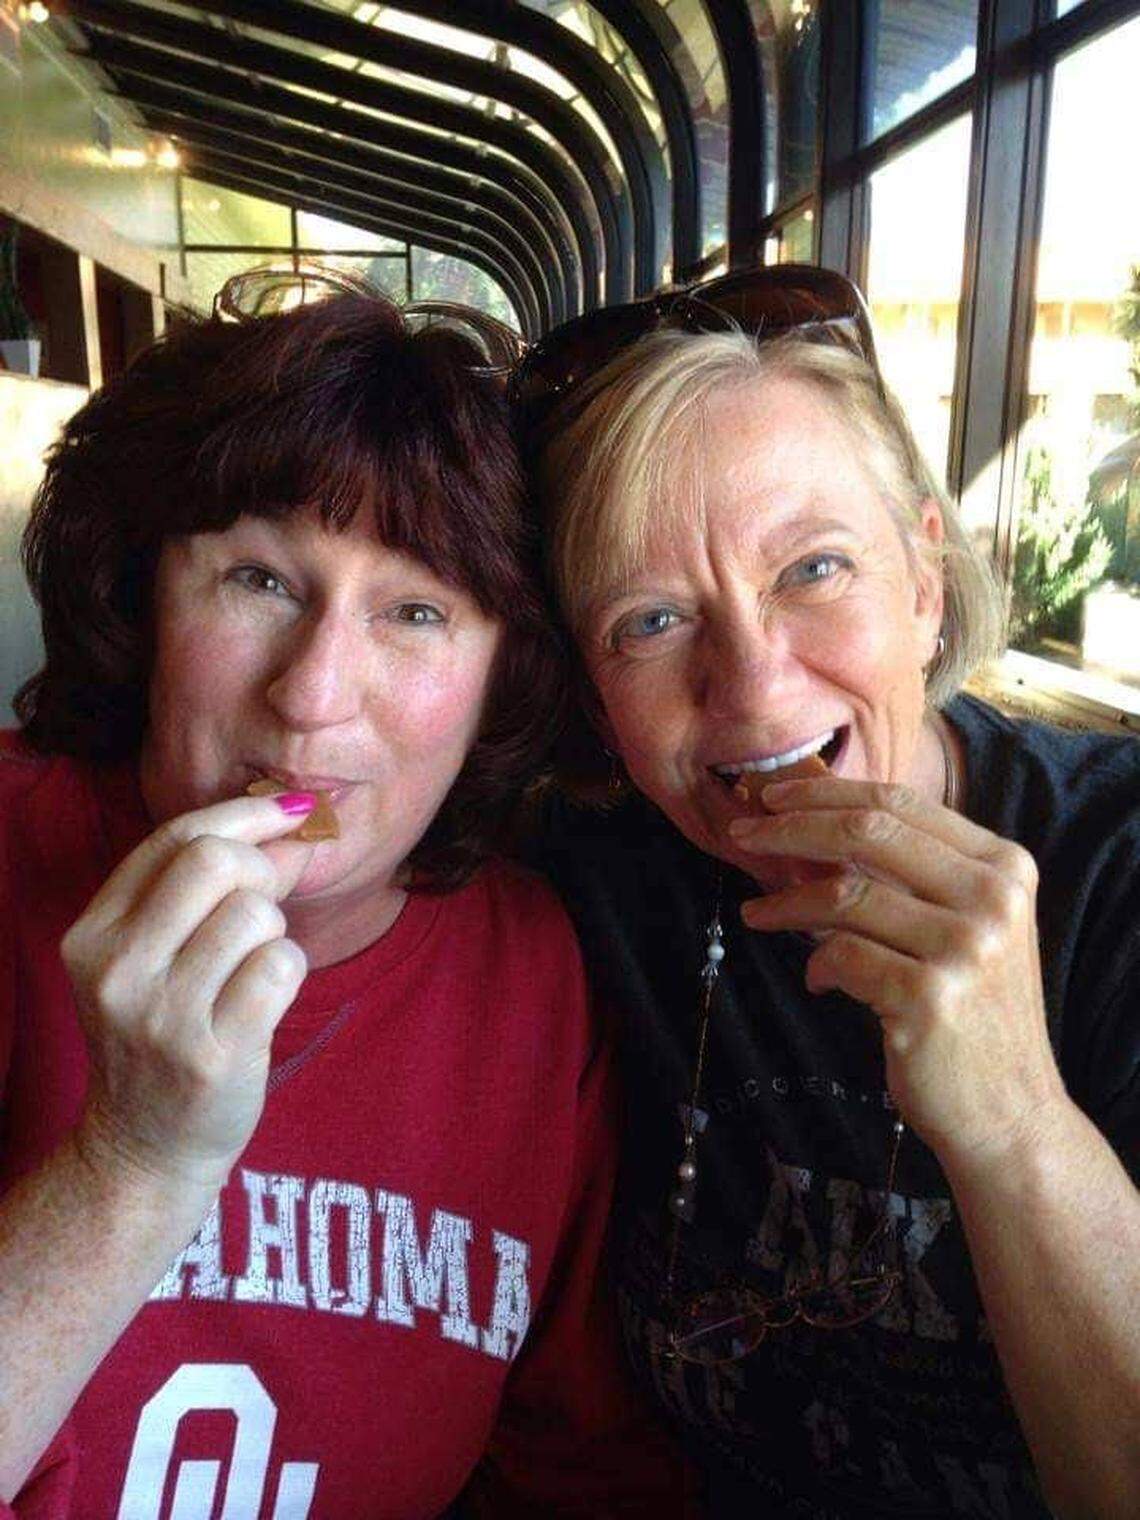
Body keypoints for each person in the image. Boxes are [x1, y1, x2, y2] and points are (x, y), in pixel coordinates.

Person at [0, 287, 678, 1517]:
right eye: (259, 578)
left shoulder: (536, 974)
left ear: (501, 684)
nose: (313, 697)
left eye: (415, 611)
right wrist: (129, 1161)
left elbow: (580, 1463)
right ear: (146, 596)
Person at [516, 265, 1140, 1520]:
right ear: (591, 694)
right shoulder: (587, 887)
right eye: (649, 621)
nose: (749, 689)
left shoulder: (1117, 868)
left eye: (814, 568)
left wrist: (1018, 1123)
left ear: (923, 578)